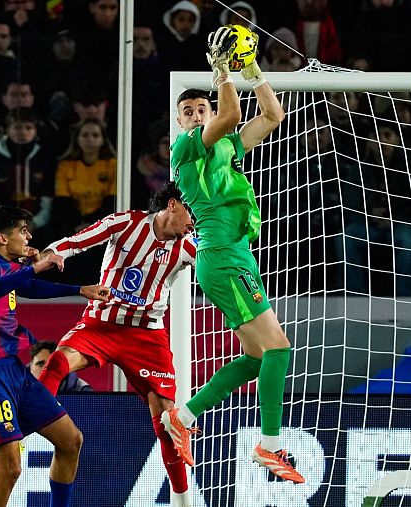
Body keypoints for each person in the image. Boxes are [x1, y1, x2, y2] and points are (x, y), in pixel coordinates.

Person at [165, 27, 303, 484]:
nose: (194, 114)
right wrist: (221, 69)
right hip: (222, 258)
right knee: (278, 349)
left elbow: (272, 113)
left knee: (254, 357)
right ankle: (269, 444)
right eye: (187, 112)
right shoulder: (187, 147)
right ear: (182, 122)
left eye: (199, 107)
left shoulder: (225, 150)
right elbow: (232, 112)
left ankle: (182, 417)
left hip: (235, 258)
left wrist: (249, 67)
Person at [36, 183, 196, 499]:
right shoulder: (125, 223)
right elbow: (80, 240)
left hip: (146, 336)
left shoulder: (190, 247)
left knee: (168, 423)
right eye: (193, 217)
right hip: (100, 324)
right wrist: (55, 252)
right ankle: (34, 419)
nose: (193, 226)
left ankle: (183, 501)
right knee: (58, 360)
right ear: (173, 205)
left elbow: (220, 268)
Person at [0, 205, 109, 507]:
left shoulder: (7, 266)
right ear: (3, 237)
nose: (29, 236)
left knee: (71, 440)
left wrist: (80, 289)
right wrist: (33, 267)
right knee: (11, 468)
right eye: (23, 230)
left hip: (15, 372)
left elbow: (30, 287)